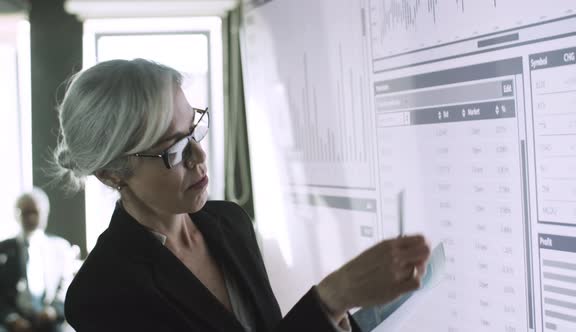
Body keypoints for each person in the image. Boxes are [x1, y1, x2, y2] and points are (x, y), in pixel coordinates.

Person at [51, 59, 431, 332]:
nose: (198, 157)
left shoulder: (229, 221)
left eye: (194, 131)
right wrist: (331, 299)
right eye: (172, 150)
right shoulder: (100, 294)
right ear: (112, 174)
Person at [0, 188, 75, 332]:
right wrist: (11, 318)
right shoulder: (3, 249)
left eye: (35, 212)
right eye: (25, 212)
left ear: (45, 214)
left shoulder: (60, 248)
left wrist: (53, 310)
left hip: (51, 321)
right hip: (13, 323)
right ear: (16, 215)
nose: (31, 218)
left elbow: (66, 287)